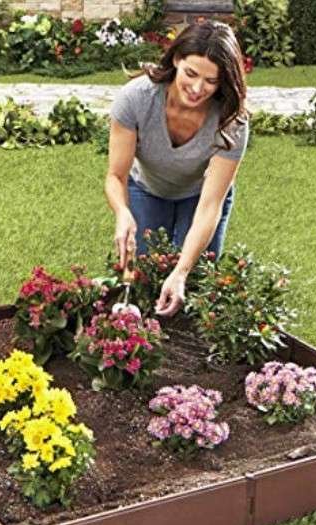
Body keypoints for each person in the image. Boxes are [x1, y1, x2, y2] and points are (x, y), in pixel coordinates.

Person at [105, 20, 249, 317]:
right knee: (144, 282)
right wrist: (122, 212)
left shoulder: (232, 120)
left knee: (192, 285)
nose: (197, 88)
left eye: (211, 81)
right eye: (191, 73)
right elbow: (115, 176)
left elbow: (211, 205)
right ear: (176, 59)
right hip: (147, 188)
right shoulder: (136, 98)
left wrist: (182, 271)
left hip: (199, 197)